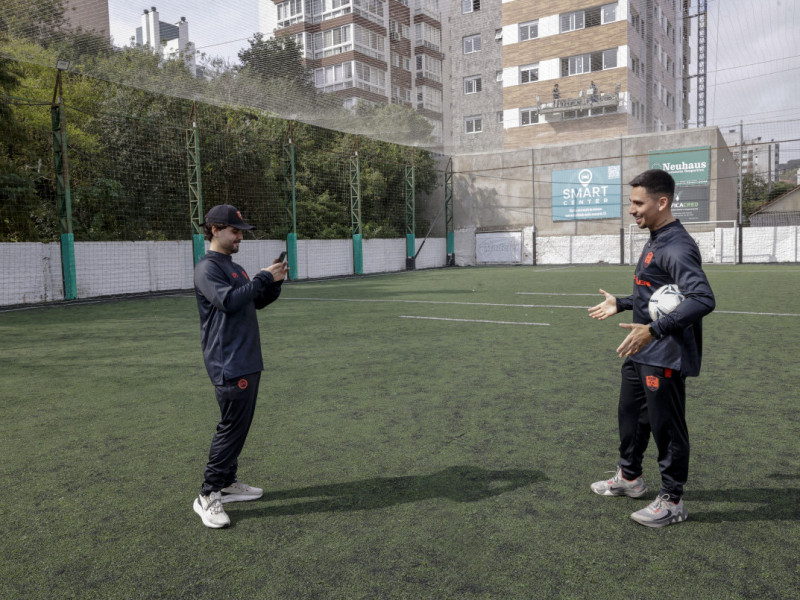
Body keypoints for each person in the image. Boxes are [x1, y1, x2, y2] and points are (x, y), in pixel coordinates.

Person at [588, 169, 715, 528]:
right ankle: (629, 478)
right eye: (631, 202)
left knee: (666, 426)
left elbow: (702, 298)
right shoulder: (656, 236)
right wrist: (625, 302)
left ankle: (672, 500)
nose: (632, 209)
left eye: (638, 203)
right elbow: (658, 293)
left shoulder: (676, 245)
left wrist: (654, 330)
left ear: (663, 202)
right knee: (630, 416)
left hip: (664, 352)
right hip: (640, 349)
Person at [192, 204, 289, 528]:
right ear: (215, 230)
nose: (239, 238)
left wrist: (272, 282)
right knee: (231, 427)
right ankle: (208, 494)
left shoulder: (234, 267)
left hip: (246, 358)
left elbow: (255, 300)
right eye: (235, 231)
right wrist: (263, 276)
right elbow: (228, 301)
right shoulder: (208, 268)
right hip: (228, 361)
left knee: (239, 426)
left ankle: (227, 482)